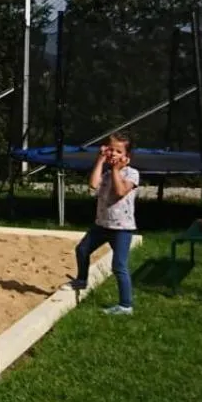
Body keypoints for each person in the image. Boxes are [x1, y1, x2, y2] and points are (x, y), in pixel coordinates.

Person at [65, 132, 139, 314]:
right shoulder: (105, 173)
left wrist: (116, 170)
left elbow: (121, 191)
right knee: (82, 249)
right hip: (101, 225)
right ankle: (81, 280)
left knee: (119, 266)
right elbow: (92, 184)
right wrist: (99, 160)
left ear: (126, 157)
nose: (113, 154)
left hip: (122, 229)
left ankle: (125, 305)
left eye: (118, 151)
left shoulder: (132, 174)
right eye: (110, 149)